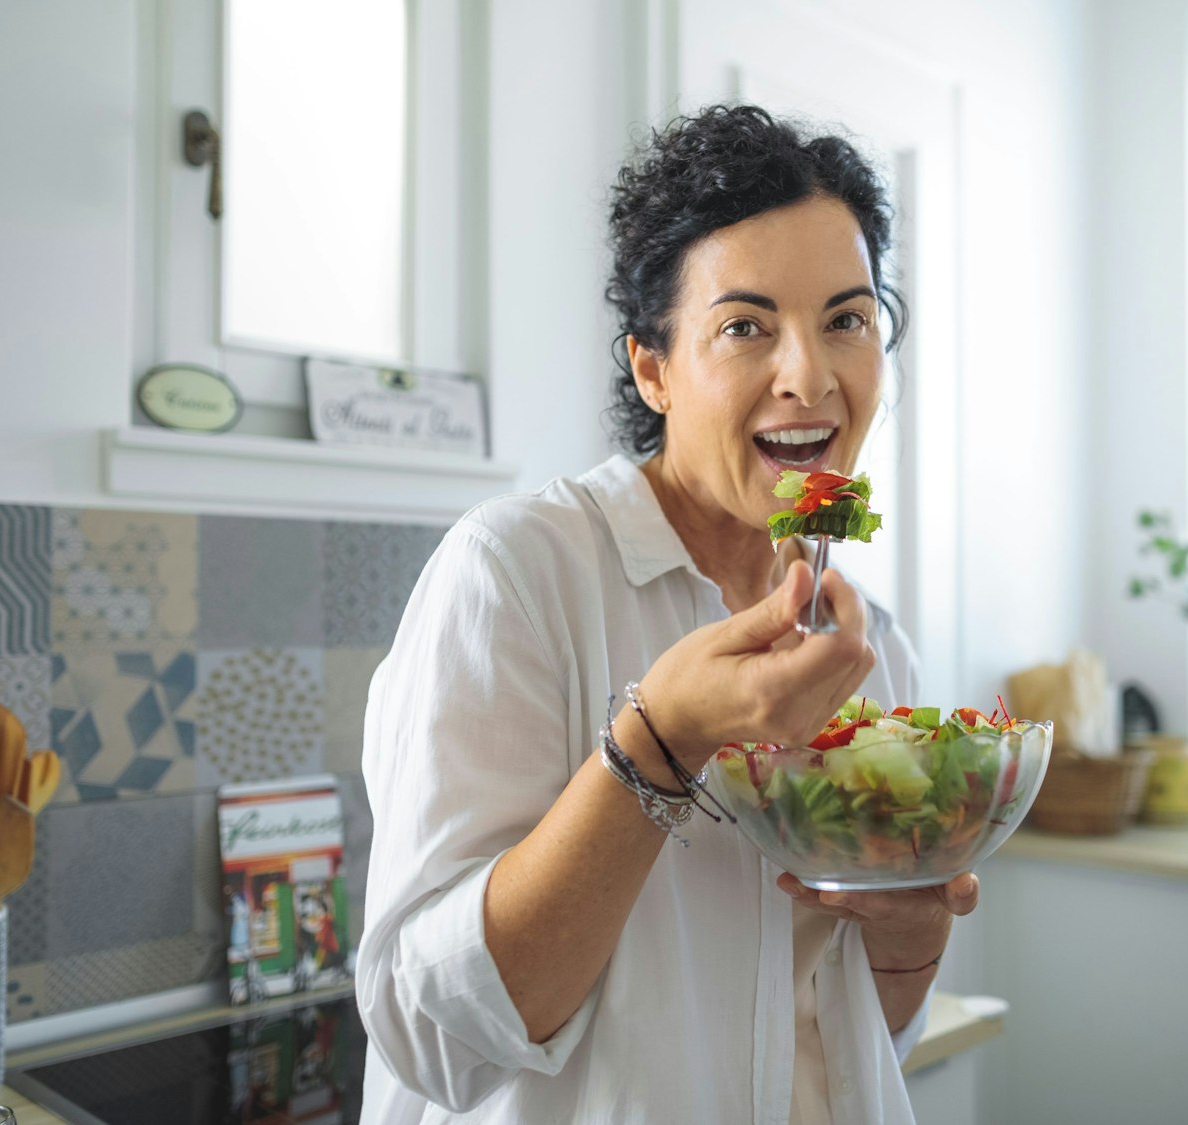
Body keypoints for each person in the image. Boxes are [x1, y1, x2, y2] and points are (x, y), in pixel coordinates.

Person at [357, 104, 978, 1123]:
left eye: (846, 319)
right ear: (654, 370)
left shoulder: (869, 644)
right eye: (745, 327)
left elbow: (853, 1035)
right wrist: (661, 742)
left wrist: (911, 934)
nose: (809, 376)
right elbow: (430, 1035)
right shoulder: (516, 572)